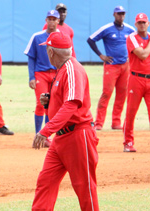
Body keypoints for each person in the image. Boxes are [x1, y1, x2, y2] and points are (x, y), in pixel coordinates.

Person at [32, 31, 99, 211]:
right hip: (61, 139)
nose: (46, 52)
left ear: (51, 52)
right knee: (45, 182)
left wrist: (45, 130)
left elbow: (71, 106)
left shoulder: (72, 69)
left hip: (78, 136)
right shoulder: (62, 69)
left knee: (85, 188)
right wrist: (49, 101)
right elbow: (64, 103)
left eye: (47, 49)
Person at [87, 6, 135, 130]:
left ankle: (116, 122)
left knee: (122, 94)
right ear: (114, 14)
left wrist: (131, 58)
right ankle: (98, 123)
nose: (121, 16)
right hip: (111, 66)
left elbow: (136, 43)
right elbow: (91, 39)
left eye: (123, 14)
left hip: (125, 66)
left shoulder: (130, 29)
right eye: (119, 14)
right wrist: (100, 55)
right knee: (106, 93)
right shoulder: (107, 28)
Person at [24, 10, 59, 146]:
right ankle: (38, 134)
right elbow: (31, 58)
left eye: (54, 19)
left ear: (58, 21)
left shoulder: (61, 36)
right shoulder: (37, 37)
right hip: (41, 74)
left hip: (56, 73)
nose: (51, 21)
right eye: (49, 19)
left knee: (52, 104)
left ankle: (47, 136)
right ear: (46, 21)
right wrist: (31, 77)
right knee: (41, 102)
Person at [124, 13, 150, 152]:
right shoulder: (132, 37)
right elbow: (143, 55)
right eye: (139, 22)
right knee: (131, 111)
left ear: (148, 23)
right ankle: (128, 142)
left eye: (144, 22)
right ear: (135, 24)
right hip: (136, 78)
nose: (142, 24)